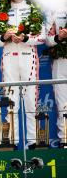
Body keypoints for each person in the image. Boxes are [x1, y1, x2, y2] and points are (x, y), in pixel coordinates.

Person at [0, 0, 46, 149]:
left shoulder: (33, 6)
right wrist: (4, 36)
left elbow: (43, 37)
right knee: (11, 103)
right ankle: (11, 144)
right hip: (8, 59)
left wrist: (25, 38)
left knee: (30, 102)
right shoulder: (0, 8)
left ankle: (33, 143)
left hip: (28, 57)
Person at [46, 9, 67, 147]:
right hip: (60, 62)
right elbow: (47, 40)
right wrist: (58, 37)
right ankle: (65, 140)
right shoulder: (53, 10)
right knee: (63, 105)